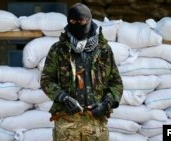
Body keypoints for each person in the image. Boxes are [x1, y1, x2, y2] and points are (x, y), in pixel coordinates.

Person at [40, 3, 123, 141]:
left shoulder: (103, 50)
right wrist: (63, 98)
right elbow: (46, 79)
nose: (77, 25)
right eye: (72, 21)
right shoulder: (58, 50)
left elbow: (116, 83)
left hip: (95, 124)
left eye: (81, 21)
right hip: (67, 124)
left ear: (90, 21)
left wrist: (106, 104)